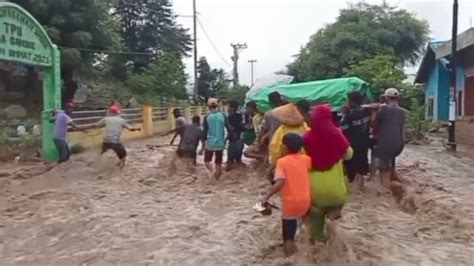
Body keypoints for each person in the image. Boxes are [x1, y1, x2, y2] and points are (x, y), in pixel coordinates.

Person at [303, 104, 353, 242]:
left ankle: (318, 250)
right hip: (336, 191)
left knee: (316, 234)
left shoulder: (306, 137)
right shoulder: (337, 133)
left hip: (315, 193)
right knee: (334, 211)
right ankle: (333, 220)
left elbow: (301, 160)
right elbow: (349, 155)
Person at [261, 133, 311, 257]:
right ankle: (308, 255)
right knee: (305, 230)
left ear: (284, 147)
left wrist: (266, 197)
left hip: (290, 204)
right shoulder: (307, 159)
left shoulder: (282, 162)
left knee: (288, 238)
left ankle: (289, 258)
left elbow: (280, 183)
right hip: (306, 201)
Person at [374, 88, 406, 195]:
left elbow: (375, 124)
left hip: (385, 143)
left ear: (386, 98)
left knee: (384, 170)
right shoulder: (402, 112)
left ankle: (386, 194)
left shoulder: (382, 110)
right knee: (391, 162)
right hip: (399, 144)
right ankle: (399, 189)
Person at [340, 91, 371, 189]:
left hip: (352, 145)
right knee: (361, 166)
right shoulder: (366, 112)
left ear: (352, 102)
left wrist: (344, 114)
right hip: (364, 143)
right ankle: (361, 187)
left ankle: (352, 187)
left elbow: (342, 128)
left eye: (347, 100)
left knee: (350, 167)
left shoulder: (349, 116)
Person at [203, 98, 228, 180]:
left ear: (208, 107)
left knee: (207, 161)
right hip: (220, 143)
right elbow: (229, 128)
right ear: (218, 106)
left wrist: (203, 145)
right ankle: (217, 179)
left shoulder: (207, 117)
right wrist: (226, 140)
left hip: (210, 143)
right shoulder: (223, 115)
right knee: (218, 163)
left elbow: (204, 132)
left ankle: (213, 172)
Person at [226, 100, 245, 171]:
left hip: (234, 142)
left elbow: (231, 130)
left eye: (228, 106)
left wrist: (225, 140)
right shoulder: (241, 116)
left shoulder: (230, 117)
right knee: (238, 162)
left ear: (232, 108)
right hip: (240, 141)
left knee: (229, 163)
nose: (227, 108)